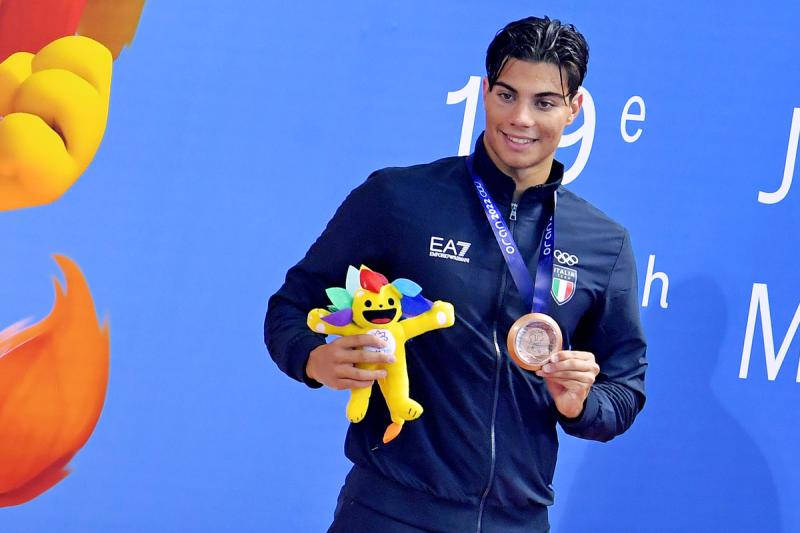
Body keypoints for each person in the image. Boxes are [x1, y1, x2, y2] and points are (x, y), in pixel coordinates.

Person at [265, 15, 647, 533]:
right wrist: (314, 359)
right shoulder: (399, 198)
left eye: (544, 103)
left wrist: (581, 403)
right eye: (507, 95)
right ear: (485, 91)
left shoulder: (603, 242)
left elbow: (624, 388)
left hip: (518, 521)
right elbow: (289, 308)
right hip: (389, 512)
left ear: (574, 109)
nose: (521, 119)